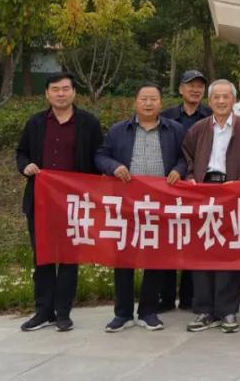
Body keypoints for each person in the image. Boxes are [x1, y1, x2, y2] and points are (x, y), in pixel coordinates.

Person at [16, 73, 104, 332]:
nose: (61, 94)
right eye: (55, 89)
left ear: (74, 92)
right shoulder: (36, 123)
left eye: (66, 89)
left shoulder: (88, 123)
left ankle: (63, 312)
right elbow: (21, 152)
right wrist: (25, 167)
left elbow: (99, 155)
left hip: (74, 203)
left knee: (68, 259)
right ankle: (43, 311)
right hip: (41, 202)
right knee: (42, 257)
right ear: (47, 94)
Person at [95, 83, 186, 333]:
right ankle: (122, 313)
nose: (148, 103)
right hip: (127, 204)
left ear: (160, 103)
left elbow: (185, 157)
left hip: (160, 203)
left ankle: (148, 311)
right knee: (124, 258)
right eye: (144, 99)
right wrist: (113, 166)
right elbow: (100, 156)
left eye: (153, 99)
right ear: (135, 102)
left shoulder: (174, 129)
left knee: (155, 258)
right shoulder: (118, 130)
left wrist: (179, 170)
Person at [183, 80, 240, 333]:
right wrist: (190, 177)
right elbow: (186, 157)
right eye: (216, 97)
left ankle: (227, 310)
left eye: (225, 97)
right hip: (203, 192)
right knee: (203, 250)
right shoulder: (199, 128)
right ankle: (204, 310)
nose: (220, 101)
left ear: (233, 100)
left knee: (229, 252)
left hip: (232, 193)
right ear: (209, 101)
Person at [159, 69, 211, 311]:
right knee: (168, 241)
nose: (195, 90)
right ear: (181, 89)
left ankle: (190, 298)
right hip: (169, 187)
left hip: (198, 188)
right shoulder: (166, 116)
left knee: (195, 241)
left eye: (200, 86)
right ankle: (166, 297)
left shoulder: (210, 116)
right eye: (190, 85)